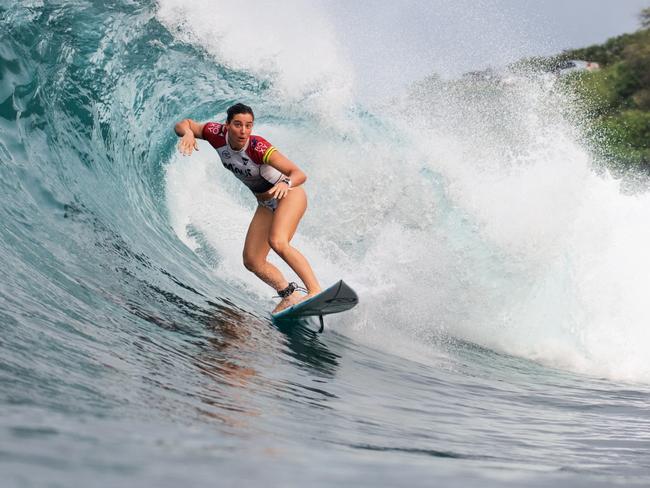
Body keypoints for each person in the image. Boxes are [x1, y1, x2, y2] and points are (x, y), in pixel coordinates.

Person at [174, 103, 321, 312]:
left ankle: (314, 289)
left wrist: (285, 183)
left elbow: (298, 173)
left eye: (248, 126)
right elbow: (184, 124)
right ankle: (289, 295)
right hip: (265, 203)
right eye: (238, 125)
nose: (243, 131)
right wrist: (188, 133)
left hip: (289, 195)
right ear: (227, 125)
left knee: (278, 241)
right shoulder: (215, 134)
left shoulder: (257, 147)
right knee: (252, 260)